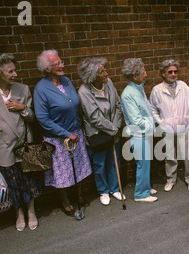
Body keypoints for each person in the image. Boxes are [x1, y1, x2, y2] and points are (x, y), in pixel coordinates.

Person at [0, 53, 44, 231]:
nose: (15, 74)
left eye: (15, 70)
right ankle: (19, 213)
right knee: (13, 182)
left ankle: (31, 211)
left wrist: (24, 109)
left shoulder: (23, 89)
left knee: (29, 179)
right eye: (10, 71)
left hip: (24, 143)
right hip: (3, 146)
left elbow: (31, 119)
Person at [34, 50, 92, 217]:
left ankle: (79, 195)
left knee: (78, 166)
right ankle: (65, 201)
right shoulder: (41, 88)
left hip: (76, 133)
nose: (62, 65)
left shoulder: (66, 81)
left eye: (61, 62)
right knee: (62, 172)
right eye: (57, 64)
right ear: (47, 69)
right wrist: (65, 133)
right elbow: (42, 118)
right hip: (58, 138)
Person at [78, 57, 125, 206]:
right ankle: (103, 191)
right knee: (99, 164)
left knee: (114, 160)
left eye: (104, 69)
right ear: (92, 77)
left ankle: (115, 188)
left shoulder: (108, 83)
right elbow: (95, 118)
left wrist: (116, 126)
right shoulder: (84, 91)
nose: (107, 73)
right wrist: (113, 129)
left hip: (113, 129)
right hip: (98, 133)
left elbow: (117, 104)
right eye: (102, 72)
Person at [149, 59, 189, 192]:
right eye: (170, 72)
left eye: (175, 71)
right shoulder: (157, 90)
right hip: (168, 128)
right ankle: (170, 179)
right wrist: (160, 122)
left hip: (185, 126)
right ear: (163, 74)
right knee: (170, 156)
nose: (173, 74)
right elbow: (152, 109)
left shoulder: (183, 86)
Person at [120, 58, 158, 203]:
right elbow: (136, 120)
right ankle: (141, 194)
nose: (146, 74)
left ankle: (146, 187)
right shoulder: (128, 94)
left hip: (145, 133)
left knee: (146, 162)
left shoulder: (138, 88)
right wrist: (151, 126)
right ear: (135, 76)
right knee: (142, 163)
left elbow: (146, 111)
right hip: (138, 134)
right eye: (143, 72)